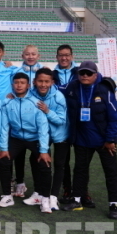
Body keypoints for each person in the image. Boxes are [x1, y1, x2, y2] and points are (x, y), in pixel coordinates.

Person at [61, 61, 117, 219]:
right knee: (80, 170)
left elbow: (115, 116)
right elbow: (53, 88)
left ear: (95, 75)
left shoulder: (104, 89)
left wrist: (110, 139)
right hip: (82, 139)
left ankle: (113, 204)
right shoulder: (73, 87)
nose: (85, 76)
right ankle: (76, 200)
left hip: (104, 140)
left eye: (89, 73)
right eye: (82, 73)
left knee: (110, 172)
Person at [0, 72, 52, 213]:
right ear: (12, 85)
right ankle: (7, 196)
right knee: (4, 160)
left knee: (45, 163)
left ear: (28, 85)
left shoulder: (36, 103)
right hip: (16, 138)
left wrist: (44, 150)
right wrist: (3, 148)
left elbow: (43, 128)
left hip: (34, 138)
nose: (19, 85)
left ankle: (45, 198)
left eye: (22, 83)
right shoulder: (7, 103)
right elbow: (4, 127)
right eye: (16, 83)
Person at [29, 68, 68, 212]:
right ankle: (38, 192)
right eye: (40, 81)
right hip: (41, 135)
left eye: (46, 81)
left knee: (59, 164)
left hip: (60, 135)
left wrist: (47, 111)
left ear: (52, 82)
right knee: (36, 160)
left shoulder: (59, 97)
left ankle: (53, 196)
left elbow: (61, 121)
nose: (43, 84)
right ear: (34, 81)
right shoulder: (30, 95)